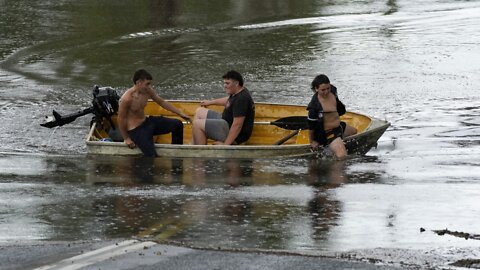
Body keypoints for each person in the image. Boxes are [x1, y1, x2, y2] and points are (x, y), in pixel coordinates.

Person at [117, 69, 191, 157]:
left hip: (147, 122)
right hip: (136, 130)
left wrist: (180, 113)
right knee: (151, 155)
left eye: (150, 84)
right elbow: (121, 119)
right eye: (147, 84)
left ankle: (176, 154)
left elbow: (161, 102)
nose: (149, 86)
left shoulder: (148, 91)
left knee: (177, 124)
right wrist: (126, 138)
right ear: (138, 83)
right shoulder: (126, 99)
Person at [192, 70, 255, 145]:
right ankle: (192, 145)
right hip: (225, 121)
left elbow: (237, 125)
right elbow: (228, 101)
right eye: (224, 83)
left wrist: (225, 145)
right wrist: (210, 102)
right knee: (199, 111)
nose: (225, 85)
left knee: (197, 124)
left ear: (237, 83)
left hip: (235, 135)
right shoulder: (238, 91)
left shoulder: (241, 99)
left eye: (227, 83)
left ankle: (201, 152)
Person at [307, 74, 357, 160]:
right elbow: (311, 127)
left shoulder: (333, 91)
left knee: (354, 131)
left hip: (338, 127)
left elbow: (340, 109)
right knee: (342, 157)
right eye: (323, 90)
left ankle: (335, 149)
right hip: (328, 133)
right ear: (316, 89)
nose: (326, 92)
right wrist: (312, 141)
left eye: (328, 88)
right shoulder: (314, 107)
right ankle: (335, 169)